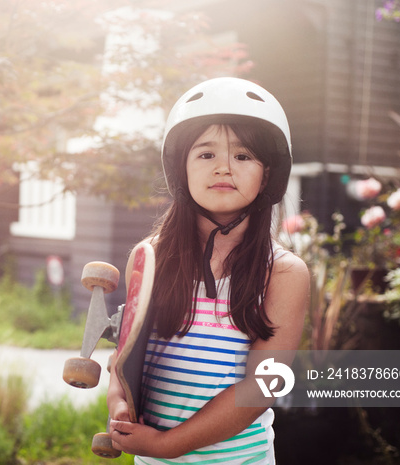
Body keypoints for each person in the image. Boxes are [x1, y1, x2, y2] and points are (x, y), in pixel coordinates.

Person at [107, 77, 310, 464]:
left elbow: (262, 386)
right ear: (180, 169)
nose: (222, 168)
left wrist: (170, 445)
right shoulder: (149, 258)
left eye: (243, 156)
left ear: (267, 174)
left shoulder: (283, 273)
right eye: (205, 154)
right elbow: (124, 359)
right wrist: (119, 405)